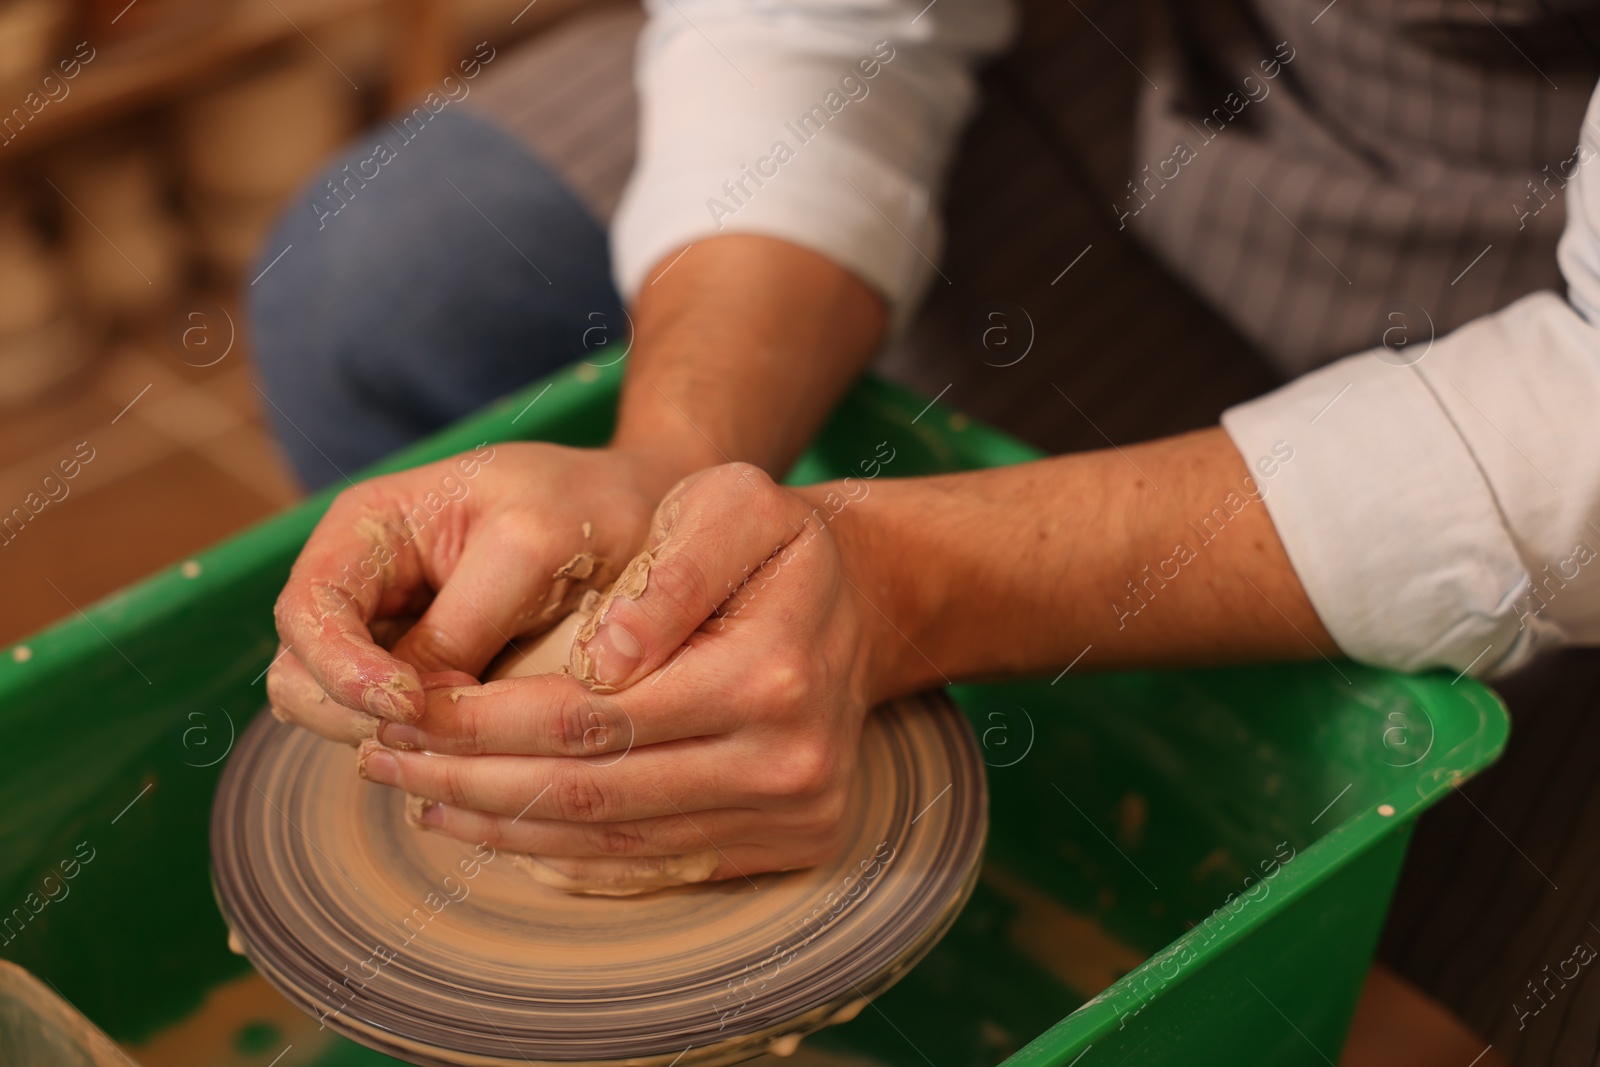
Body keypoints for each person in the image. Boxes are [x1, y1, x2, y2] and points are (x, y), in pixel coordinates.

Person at [251, 0, 1598, 1031]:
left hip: (1510, 264)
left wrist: (902, 587)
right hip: (1125, 79)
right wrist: (673, 453)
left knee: (1409, 968)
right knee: (391, 285)